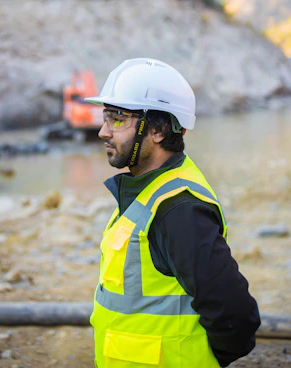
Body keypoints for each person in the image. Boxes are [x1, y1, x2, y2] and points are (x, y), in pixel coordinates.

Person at [85, 58, 261, 368]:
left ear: (158, 129)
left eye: (117, 119)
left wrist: (203, 358)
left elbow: (235, 315)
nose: (102, 131)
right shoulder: (149, 191)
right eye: (105, 117)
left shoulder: (178, 208)